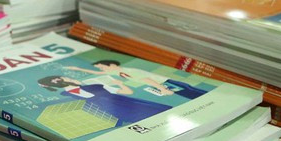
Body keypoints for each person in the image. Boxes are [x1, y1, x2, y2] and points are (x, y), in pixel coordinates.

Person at [37, 75, 170, 126]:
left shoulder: (96, 86)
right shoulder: (66, 98)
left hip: (129, 105)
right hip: (115, 114)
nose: (73, 79)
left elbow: (127, 92)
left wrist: (120, 84)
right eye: (68, 78)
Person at [64, 59, 207, 100]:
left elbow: (146, 79)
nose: (102, 70)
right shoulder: (119, 73)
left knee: (192, 93)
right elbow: (94, 71)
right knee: (191, 94)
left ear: (112, 65)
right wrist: (78, 69)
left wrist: (162, 89)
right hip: (164, 84)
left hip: (166, 83)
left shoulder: (127, 71)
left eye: (102, 67)